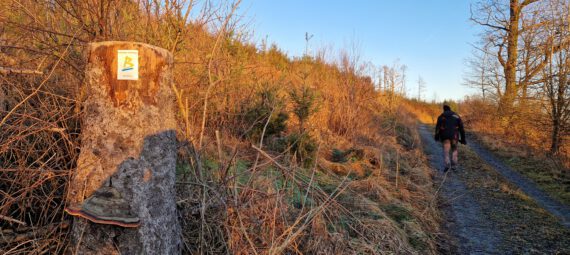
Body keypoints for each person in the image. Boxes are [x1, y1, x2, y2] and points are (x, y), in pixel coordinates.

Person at [434, 104, 466, 172]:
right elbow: (462, 129)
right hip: (454, 136)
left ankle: (447, 165)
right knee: (454, 149)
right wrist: (463, 139)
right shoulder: (456, 116)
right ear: (450, 109)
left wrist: (436, 136)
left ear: (444, 109)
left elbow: (437, 128)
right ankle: (454, 165)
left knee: (446, 151)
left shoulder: (441, 116)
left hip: (445, 136)